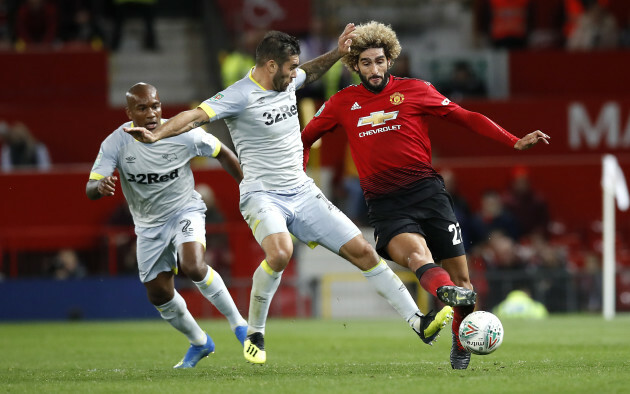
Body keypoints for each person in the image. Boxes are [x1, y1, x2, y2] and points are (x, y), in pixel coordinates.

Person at [124, 24, 459, 366]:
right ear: (270, 65)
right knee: (281, 253)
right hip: (262, 194)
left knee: (363, 251)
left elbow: (310, 72)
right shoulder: (239, 95)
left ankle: (418, 323)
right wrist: (158, 134)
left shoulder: (288, 79)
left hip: (301, 190)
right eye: (289, 68)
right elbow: (194, 116)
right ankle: (255, 330)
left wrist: (338, 53)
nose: (295, 73)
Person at [300, 21, 550, 369]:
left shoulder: (416, 90)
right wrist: (300, 176)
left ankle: (460, 342)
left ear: (390, 60)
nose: (374, 69)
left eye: (380, 61)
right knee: (418, 255)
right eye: (367, 62)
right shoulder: (342, 103)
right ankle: (445, 293)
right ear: (355, 65)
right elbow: (305, 138)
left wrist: (512, 140)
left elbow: (465, 117)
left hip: (429, 195)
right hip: (386, 203)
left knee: (463, 279)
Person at [86, 83, 248, 369]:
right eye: (143, 107)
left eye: (156, 105)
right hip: (148, 226)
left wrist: (246, 188)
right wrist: (99, 186)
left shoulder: (182, 133)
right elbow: (89, 187)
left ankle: (240, 325)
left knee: (193, 265)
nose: (151, 113)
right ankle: (200, 342)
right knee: (158, 293)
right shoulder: (116, 143)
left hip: (185, 210)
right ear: (129, 112)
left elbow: (222, 151)